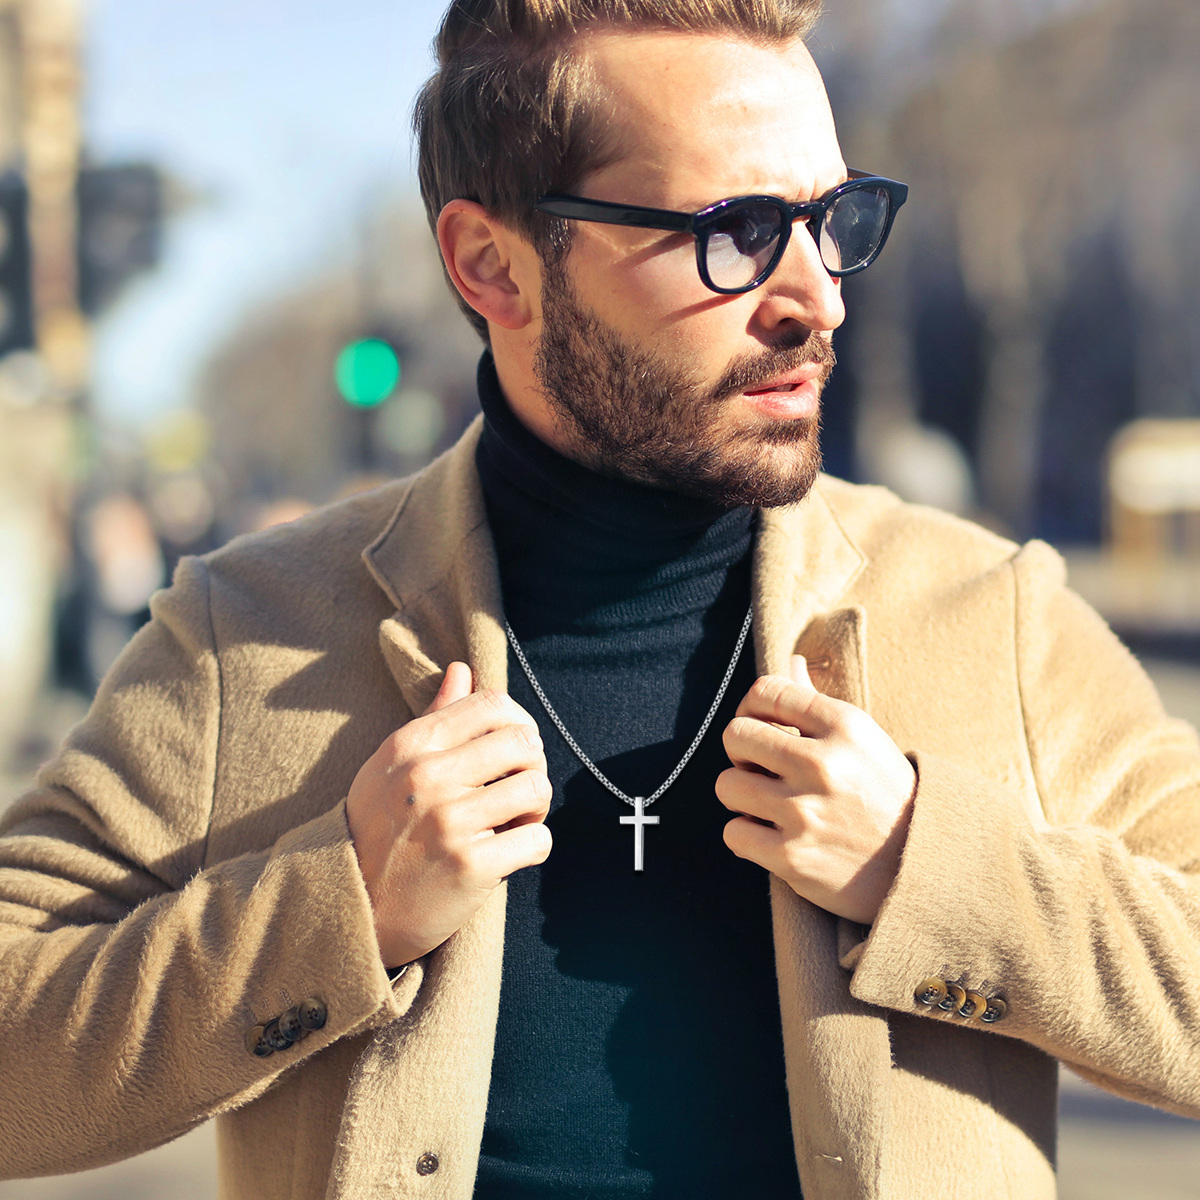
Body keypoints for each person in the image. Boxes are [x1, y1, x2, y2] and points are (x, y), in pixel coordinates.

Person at [2, 1, 1200, 1197]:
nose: (817, 298)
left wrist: (935, 874)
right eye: (733, 232)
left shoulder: (990, 613)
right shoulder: (253, 631)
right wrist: (339, 908)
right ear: (493, 264)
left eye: (833, 221)